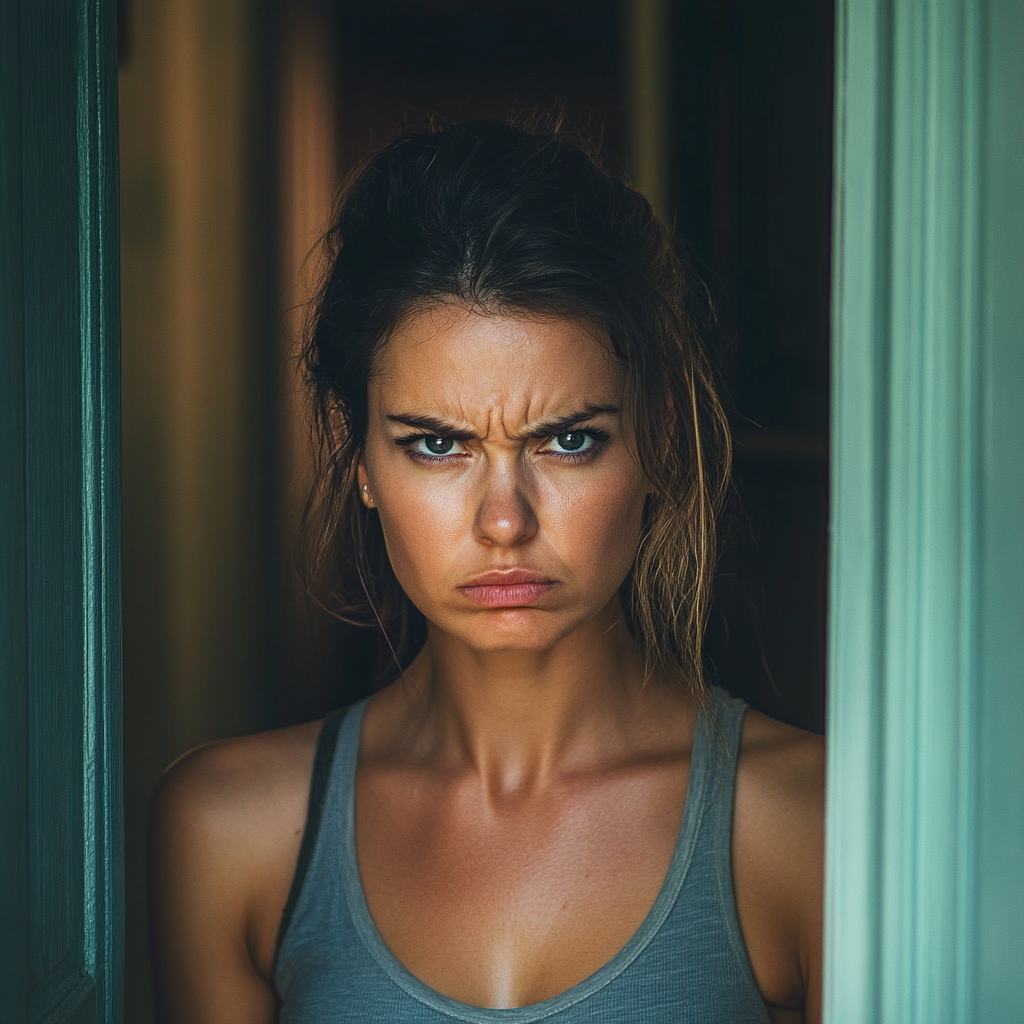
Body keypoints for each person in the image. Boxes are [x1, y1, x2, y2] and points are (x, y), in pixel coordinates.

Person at [149, 119, 824, 1024]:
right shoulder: (229, 834)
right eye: (437, 444)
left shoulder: (810, 828)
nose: (505, 520)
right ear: (360, 464)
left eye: (569, 440)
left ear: (657, 442)